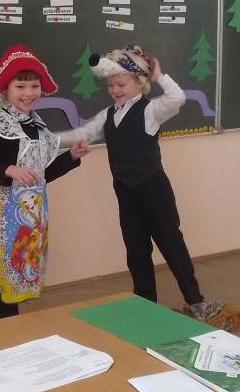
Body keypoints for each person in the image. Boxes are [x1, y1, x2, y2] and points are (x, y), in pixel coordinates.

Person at [57, 44, 222, 322]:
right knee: (136, 250)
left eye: (121, 84)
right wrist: (49, 139)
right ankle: (145, 303)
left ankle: (196, 300)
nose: (115, 89)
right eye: (111, 85)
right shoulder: (108, 115)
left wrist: (159, 76)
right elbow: (83, 132)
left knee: (171, 244)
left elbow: (177, 98)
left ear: (140, 82)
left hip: (153, 189)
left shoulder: (151, 110)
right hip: (126, 192)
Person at [0, 45, 90, 319]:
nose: (29, 92)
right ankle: (7, 322)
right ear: (6, 89)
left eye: (34, 86)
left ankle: (5, 315)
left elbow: (42, 174)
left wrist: (71, 156)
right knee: (7, 270)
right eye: (20, 86)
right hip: (5, 214)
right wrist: (9, 169)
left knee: (23, 268)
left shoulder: (38, 126)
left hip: (33, 215)